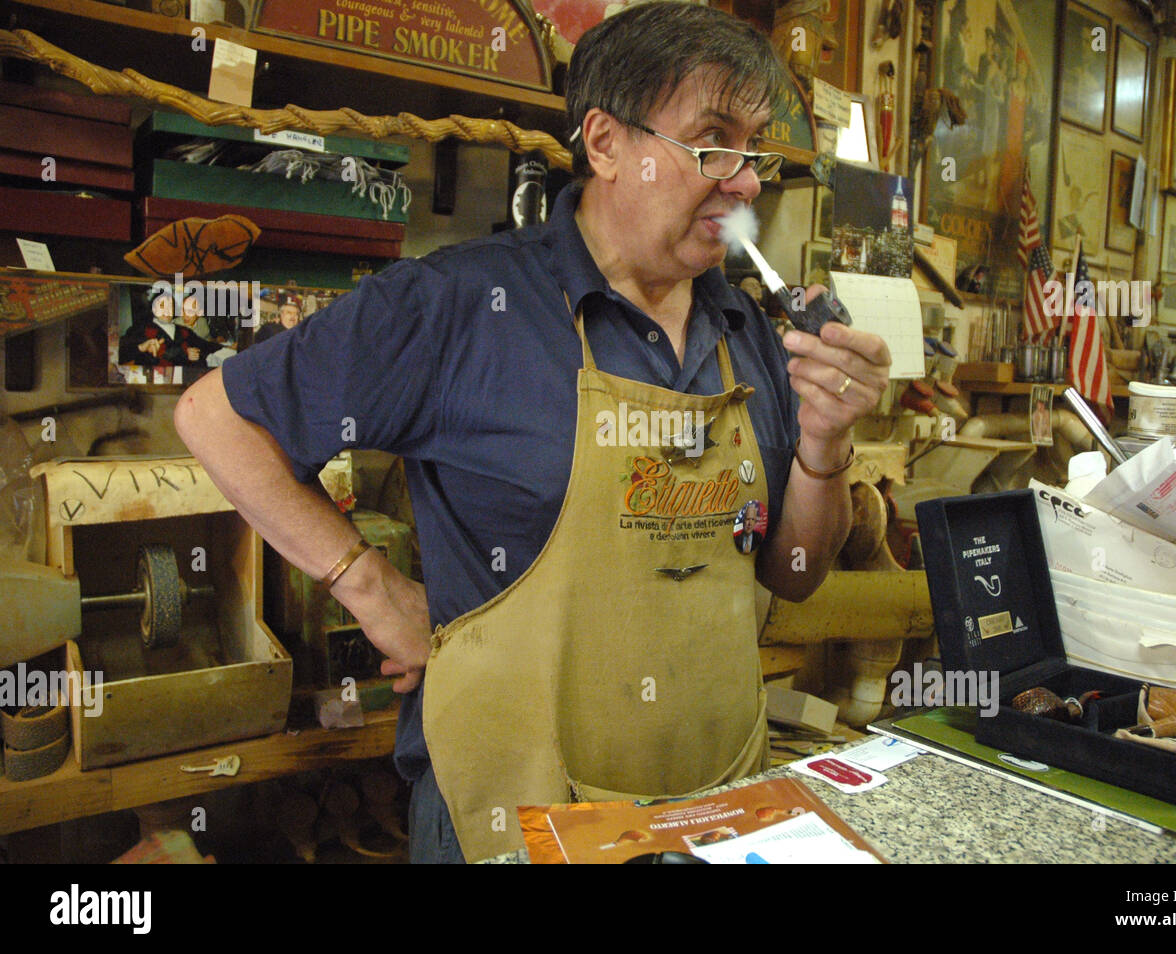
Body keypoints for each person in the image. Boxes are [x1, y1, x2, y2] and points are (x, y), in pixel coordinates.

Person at [174, 1, 890, 864]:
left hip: (714, 807)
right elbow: (214, 417)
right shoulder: (459, 304)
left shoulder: (747, 332)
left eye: (756, 149)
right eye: (713, 143)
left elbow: (795, 575)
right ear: (606, 144)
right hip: (512, 822)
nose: (745, 182)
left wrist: (825, 444)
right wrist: (371, 588)